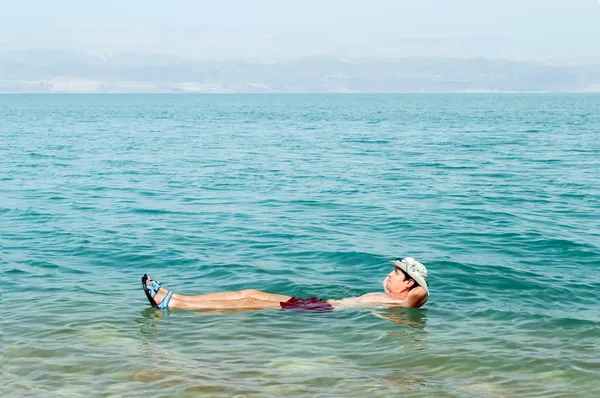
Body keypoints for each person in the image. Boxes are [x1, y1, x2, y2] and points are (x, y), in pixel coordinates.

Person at [141, 257, 429, 312]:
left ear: (407, 283)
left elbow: (419, 295)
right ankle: (173, 298)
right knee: (249, 294)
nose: (390, 274)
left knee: (249, 301)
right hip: (320, 306)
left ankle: (173, 303)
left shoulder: (401, 301)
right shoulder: (389, 296)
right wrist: (399, 280)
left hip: (322, 311)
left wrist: (415, 283)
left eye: (396, 273)